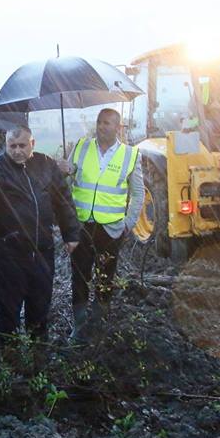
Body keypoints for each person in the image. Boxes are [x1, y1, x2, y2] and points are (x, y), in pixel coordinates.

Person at [0, 126, 80, 350]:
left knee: (40, 305)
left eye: (22, 145)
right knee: (8, 309)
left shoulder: (46, 165)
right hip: (8, 255)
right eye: (12, 146)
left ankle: (38, 352)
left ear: (33, 143)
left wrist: (71, 233)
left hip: (42, 250)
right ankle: (9, 355)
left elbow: (63, 200)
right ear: (6, 146)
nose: (17, 151)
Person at [68, 108, 145, 339]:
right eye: (99, 122)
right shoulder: (81, 147)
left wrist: (128, 223)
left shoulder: (131, 154)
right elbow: (66, 180)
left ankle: (99, 320)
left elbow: (138, 193)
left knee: (106, 276)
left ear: (118, 127)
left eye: (107, 123)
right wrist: (64, 171)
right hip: (81, 226)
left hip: (111, 229)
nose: (101, 126)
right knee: (79, 276)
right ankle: (79, 325)